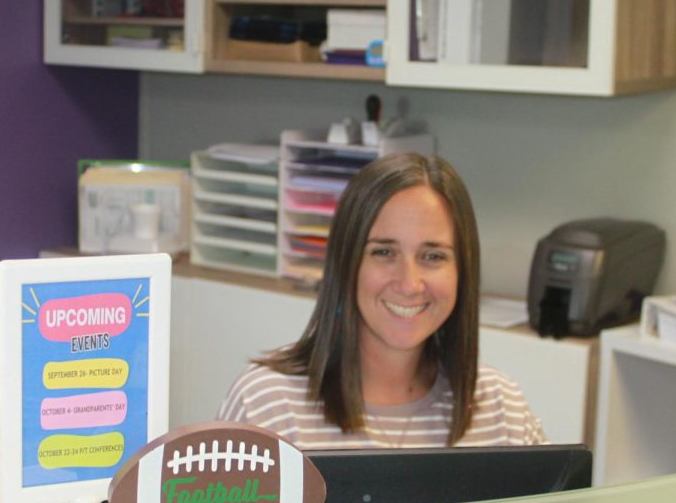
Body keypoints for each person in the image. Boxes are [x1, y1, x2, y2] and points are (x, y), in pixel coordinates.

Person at [217, 152, 545, 448]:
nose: (409, 283)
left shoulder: (502, 411)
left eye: (433, 255)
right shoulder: (266, 407)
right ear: (347, 263)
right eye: (384, 252)